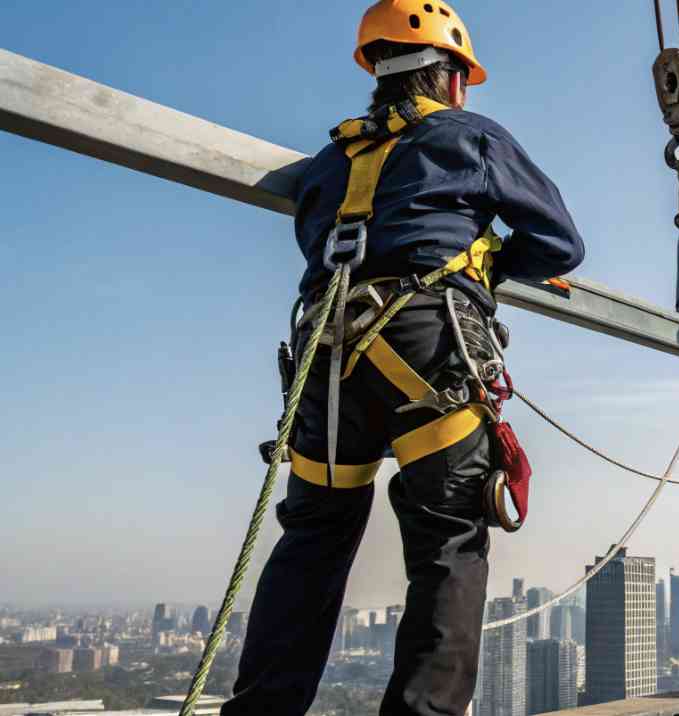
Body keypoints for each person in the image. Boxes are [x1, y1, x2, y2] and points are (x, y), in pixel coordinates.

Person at [222, 2, 583, 714]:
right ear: (451, 80)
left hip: (327, 358)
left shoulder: (330, 163)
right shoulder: (469, 135)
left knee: (314, 540)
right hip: (428, 345)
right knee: (449, 540)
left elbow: (319, 250)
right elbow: (561, 244)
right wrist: (488, 260)